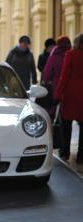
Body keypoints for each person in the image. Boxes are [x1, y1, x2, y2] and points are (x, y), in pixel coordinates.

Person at [54, 33, 83, 163]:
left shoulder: (70, 54)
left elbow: (64, 76)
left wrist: (58, 94)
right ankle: (81, 155)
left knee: (66, 124)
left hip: (71, 94)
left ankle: (65, 152)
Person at [41, 36, 71, 120]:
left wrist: (48, 81)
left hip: (56, 87)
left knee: (56, 111)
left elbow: (46, 75)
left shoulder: (54, 56)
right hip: (71, 89)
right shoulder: (72, 54)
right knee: (68, 114)